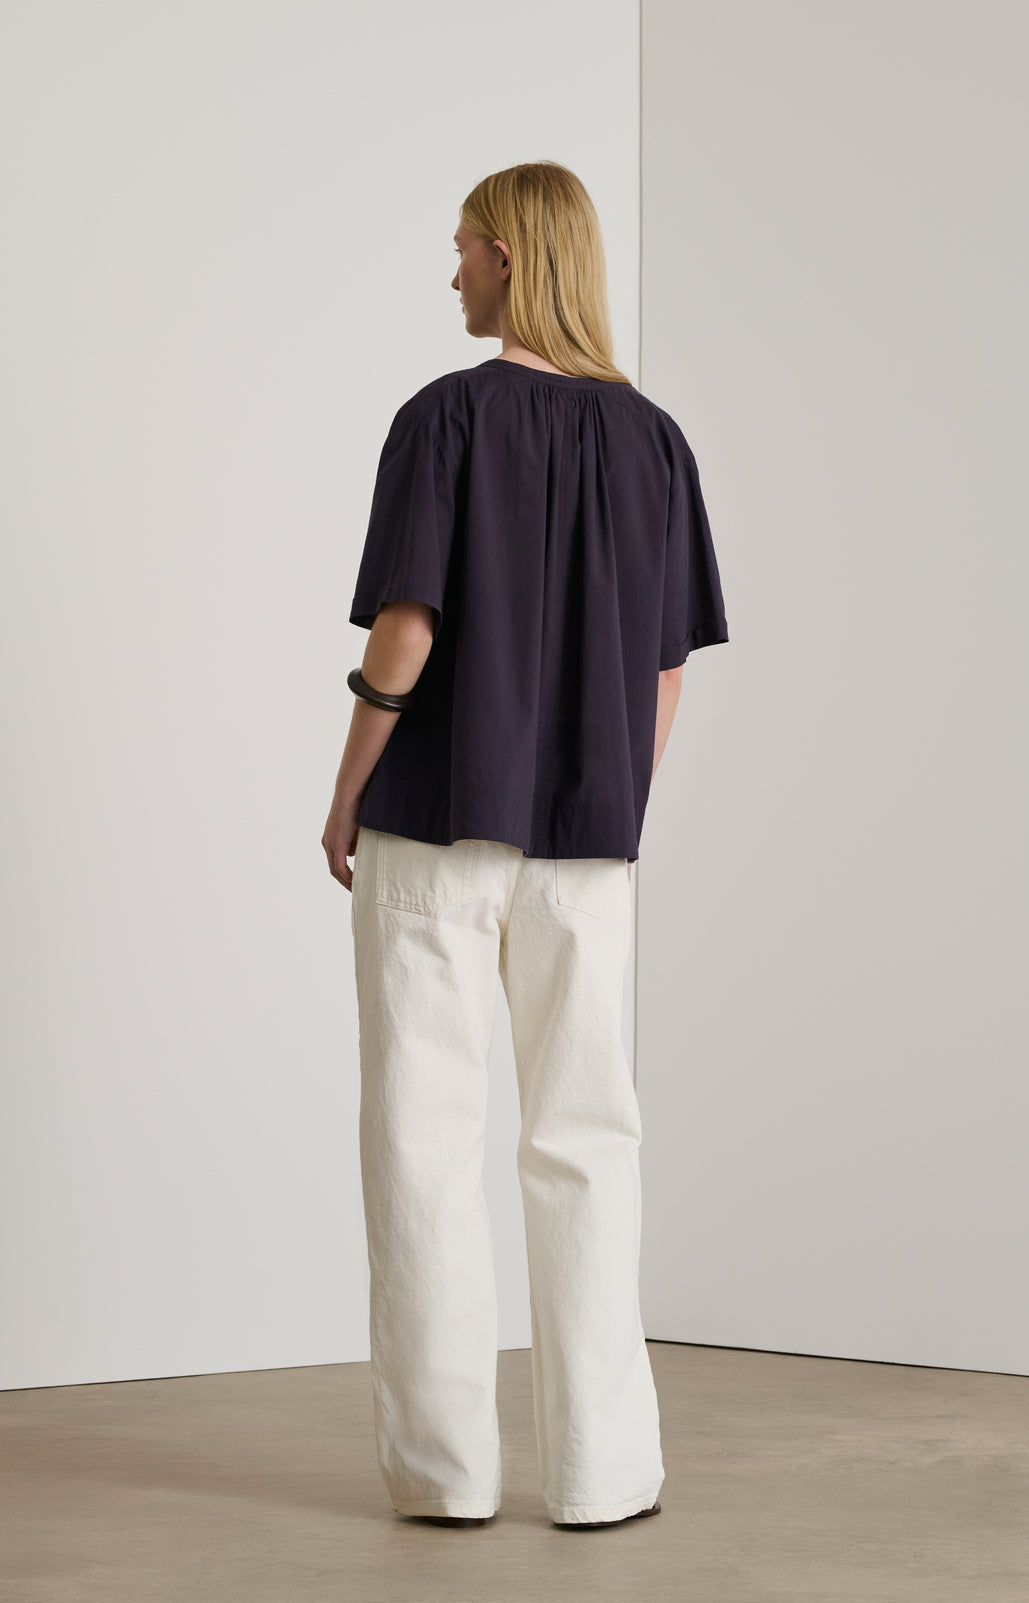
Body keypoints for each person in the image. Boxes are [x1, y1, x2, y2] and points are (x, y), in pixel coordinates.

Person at [321, 161, 728, 1532]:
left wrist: (345, 789)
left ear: (508, 255)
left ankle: (446, 1474)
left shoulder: (444, 418)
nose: (452, 274)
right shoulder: (655, 441)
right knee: (588, 1136)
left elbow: (407, 629)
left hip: (436, 826)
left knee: (423, 1137)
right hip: (588, 845)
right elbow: (666, 669)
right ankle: (606, 1471)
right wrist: (613, 801)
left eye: (463, 250)